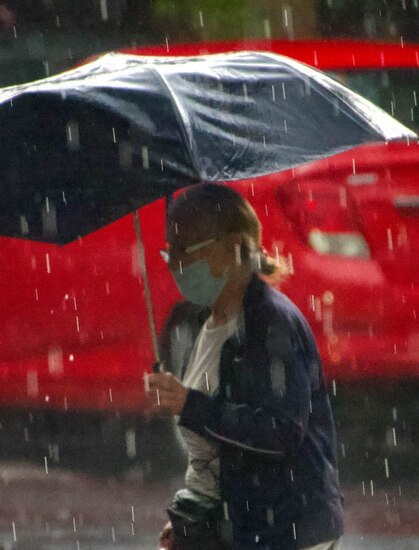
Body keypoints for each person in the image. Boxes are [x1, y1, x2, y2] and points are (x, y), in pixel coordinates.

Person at [146, 183, 344, 550]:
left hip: (284, 533)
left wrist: (191, 405)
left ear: (233, 247)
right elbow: (216, 458)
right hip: (242, 529)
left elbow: (280, 432)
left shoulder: (270, 324)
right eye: (168, 251)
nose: (173, 265)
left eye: (183, 251)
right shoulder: (204, 323)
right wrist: (195, 520)